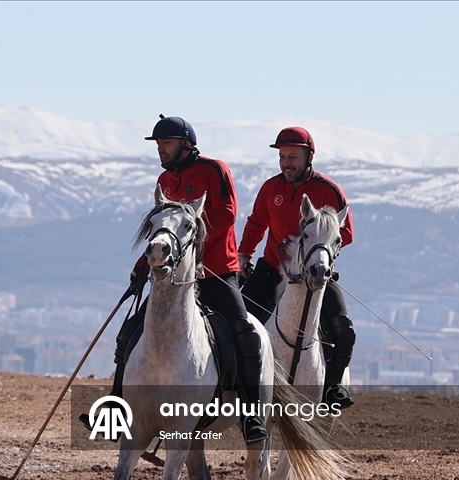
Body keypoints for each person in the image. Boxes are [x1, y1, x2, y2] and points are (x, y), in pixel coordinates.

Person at [93, 116, 268, 444]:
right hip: (172, 277)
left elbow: (227, 213)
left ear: (186, 143)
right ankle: (116, 408)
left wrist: (195, 254)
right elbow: (163, 232)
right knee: (130, 331)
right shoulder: (164, 180)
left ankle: (252, 414)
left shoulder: (214, 170)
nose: (161, 149)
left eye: (167, 143)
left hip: (216, 271)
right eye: (158, 144)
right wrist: (144, 263)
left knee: (245, 335)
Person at [238, 126, 356, 409]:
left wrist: (313, 245)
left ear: (308, 157)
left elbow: (346, 233)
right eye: (282, 156)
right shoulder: (271, 188)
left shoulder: (328, 191)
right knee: (236, 324)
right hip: (270, 269)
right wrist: (244, 255)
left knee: (344, 329)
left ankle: (333, 390)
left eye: (293, 156)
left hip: (315, 273)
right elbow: (256, 223)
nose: (286, 162)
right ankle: (231, 386)